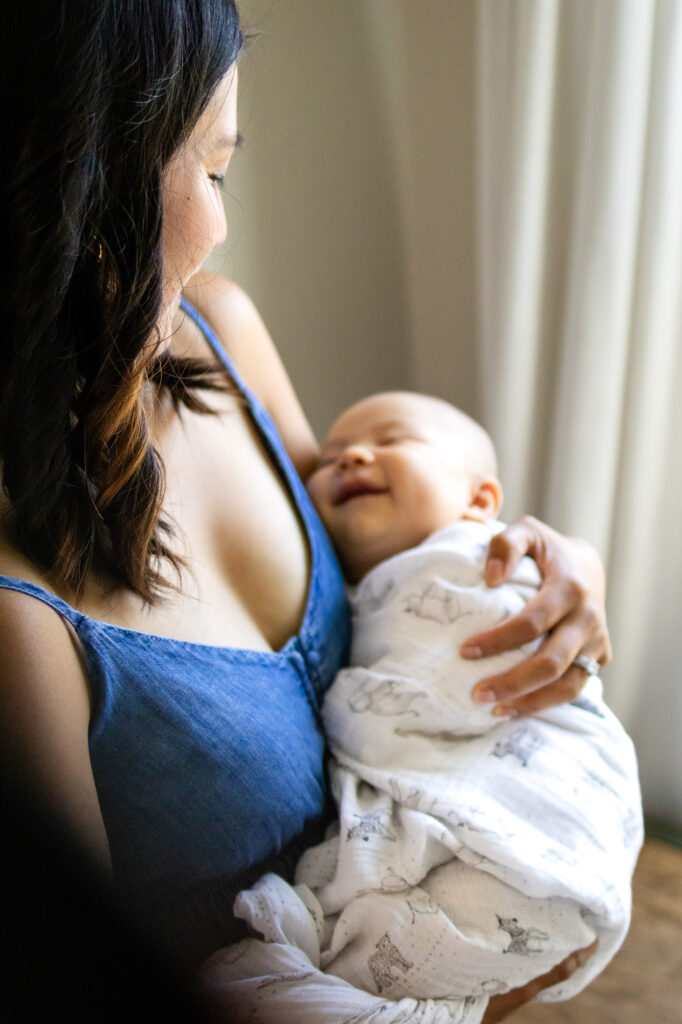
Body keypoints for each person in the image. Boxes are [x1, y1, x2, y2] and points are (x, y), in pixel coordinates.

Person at [0, 3, 611, 1020]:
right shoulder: (21, 621)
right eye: (208, 169)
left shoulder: (216, 334)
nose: (223, 222)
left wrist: (548, 566)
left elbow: (386, 542)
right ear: (76, 187)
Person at [205, 392, 641, 1023]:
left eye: (394, 439)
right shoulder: (349, 592)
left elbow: (454, 682)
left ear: (480, 502)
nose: (351, 455)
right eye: (326, 461)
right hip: (465, 849)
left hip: (538, 819)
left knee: (302, 966)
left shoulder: (485, 561)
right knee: (358, 933)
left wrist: (579, 557)